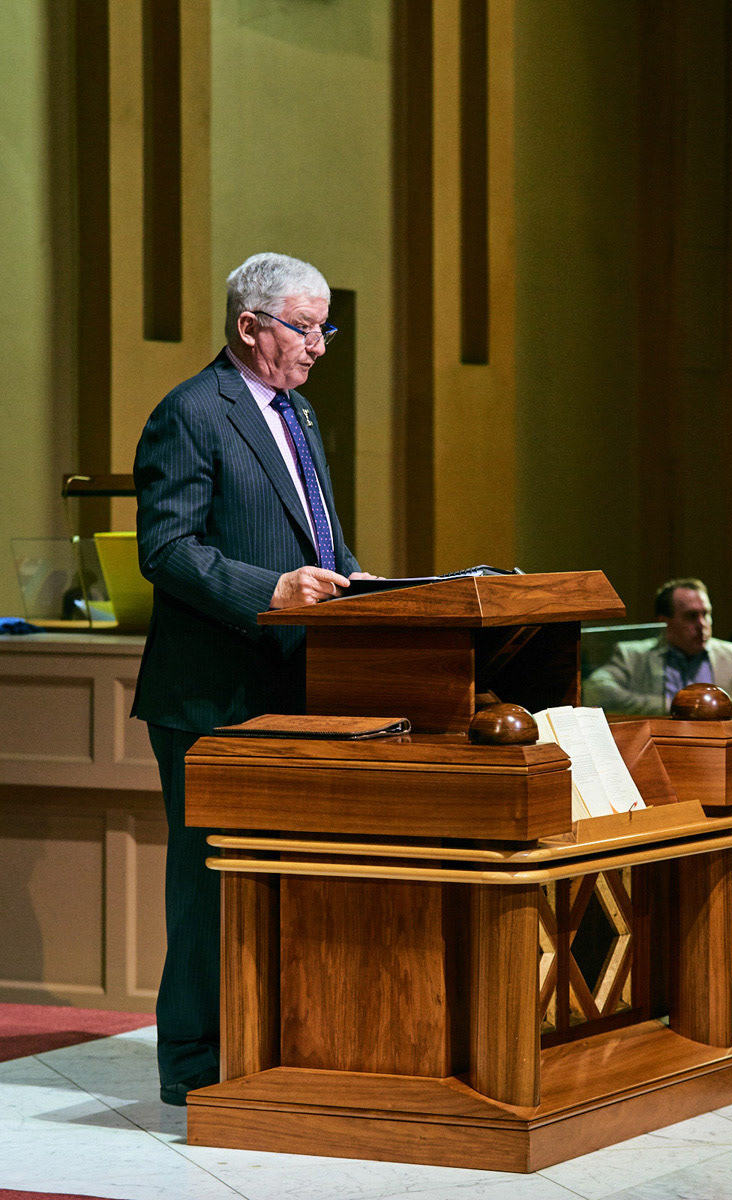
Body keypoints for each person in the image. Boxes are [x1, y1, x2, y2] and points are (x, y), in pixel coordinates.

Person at [132, 252, 372, 1106]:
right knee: (207, 882)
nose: (318, 347)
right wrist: (268, 591)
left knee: (288, 877)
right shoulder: (191, 414)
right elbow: (167, 549)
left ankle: (270, 1043)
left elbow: (321, 543)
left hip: (297, 690)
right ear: (249, 326)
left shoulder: (298, 413)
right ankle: (194, 1062)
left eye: (324, 329)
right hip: (211, 693)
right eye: (305, 329)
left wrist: (373, 593)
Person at [583, 577, 732, 717]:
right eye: (691, 616)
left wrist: (720, 706)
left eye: (706, 614)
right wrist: (669, 706)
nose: (702, 624)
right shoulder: (632, 655)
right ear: (664, 622)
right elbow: (595, 691)